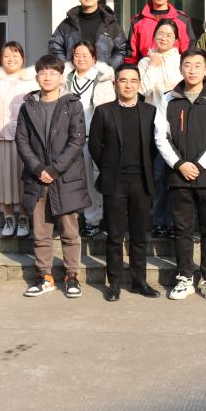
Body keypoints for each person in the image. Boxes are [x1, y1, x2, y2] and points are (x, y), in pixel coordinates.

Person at [155, 49, 206, 301]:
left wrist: (198, 164)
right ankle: (184, 277)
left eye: (198, 65)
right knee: (182, 229)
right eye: (187, 65)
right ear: (180, 68)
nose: (192, 70)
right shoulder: (168, 99)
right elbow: (161, 136)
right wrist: (179, 164)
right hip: (178, 175)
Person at [16, 54, 90, 299]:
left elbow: (77, 140)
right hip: (37, 178)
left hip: (65, 177)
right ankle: (44, 277)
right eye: (43, 72)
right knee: (41, 233)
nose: (47, 77)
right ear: (36, 76)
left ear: (61, 77)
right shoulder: (28, 106)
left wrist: (55, 169)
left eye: (52, 72)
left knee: (70, 231)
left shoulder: (72, 104)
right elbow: (22, 141)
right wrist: (39, 169)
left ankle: (72, 276)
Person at [88, 64, 160, 301]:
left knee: (139, 236)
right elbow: (95, 145)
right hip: (115, 182)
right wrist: (109, 168)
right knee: (115, 236)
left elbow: (155, 146)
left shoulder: (150, 111)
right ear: (115, 84)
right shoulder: (103, 111)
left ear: (139, 84)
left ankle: (139, 281)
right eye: (123, 80)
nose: (128, 85)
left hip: (142, 182)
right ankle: (114, 283)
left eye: (133, 80)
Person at [0, 41, 37, 238]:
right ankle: (8, 217)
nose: (11, 59)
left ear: (23, 58)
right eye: (7, 55)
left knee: (22, 180)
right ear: (1, 58)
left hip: (24, 139)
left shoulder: (31, 81)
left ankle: (23, 217)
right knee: (2, 180)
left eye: (15, 55)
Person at [138, 19, 183, 238]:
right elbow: (144, 89)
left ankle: (175, 221)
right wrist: (154, 65)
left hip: (177, 123)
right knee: (156, 175)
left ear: (176, 39)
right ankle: (158, 220)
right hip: (152, 122)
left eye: (169, 35)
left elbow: (177, 87)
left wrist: (163, 66)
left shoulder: (182, 61)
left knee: (175, 174)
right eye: (160, 33)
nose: (163, 38)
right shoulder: (145, 62)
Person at [64, 40, 115, 238]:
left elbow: (108, 112)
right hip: (69, 139)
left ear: (94, 58)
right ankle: (72, 220)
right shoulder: (65, 79)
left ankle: (93, 219)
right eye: (77, 55)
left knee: (92, 181)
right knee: (70, 182)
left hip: (91, 139)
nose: (81, 58)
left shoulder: (102, 80)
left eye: (86, 55)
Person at [49, 0, 127, 68]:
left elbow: (121, 50)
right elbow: (54, 46)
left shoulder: (111, 24)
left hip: (102, 75)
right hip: (74, 74)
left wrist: (107, 69)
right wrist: (66, 67)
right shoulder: (67, 24)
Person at [125, 0, 197, 65]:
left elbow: (189, 52)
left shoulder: (182, 20)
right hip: (146, 68)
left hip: (174, 70)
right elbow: (132, 54)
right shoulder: (138, 21)